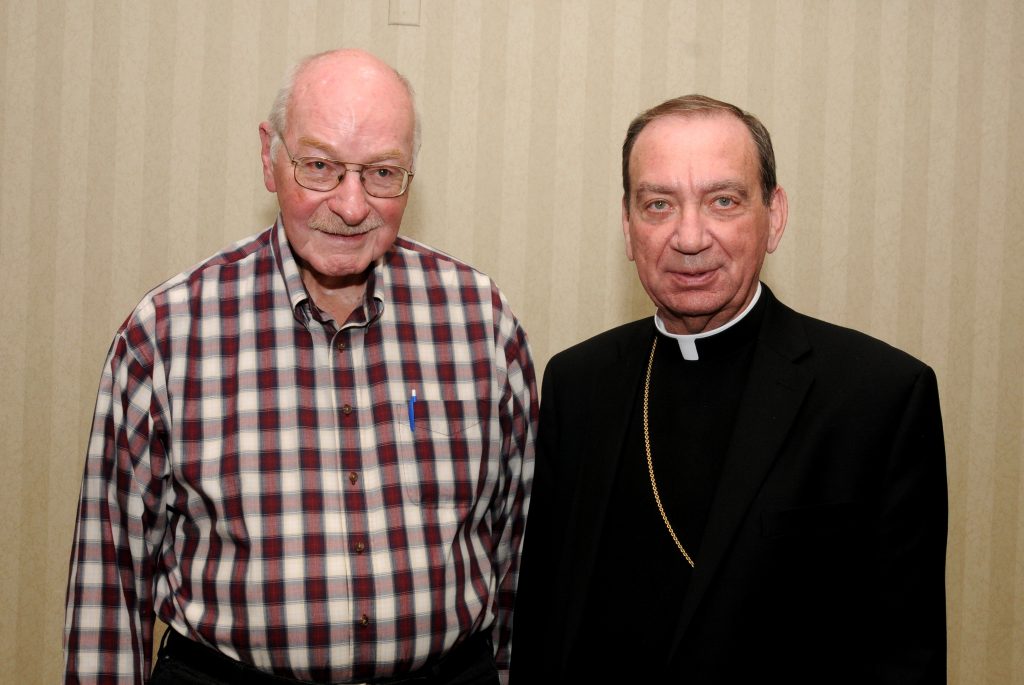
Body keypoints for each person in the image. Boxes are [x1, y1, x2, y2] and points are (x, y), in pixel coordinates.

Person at [63, 49, 536, 685]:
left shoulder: (482, 320)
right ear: (269, 156)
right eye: (319, 166)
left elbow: (519, 554)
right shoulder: (166, 334)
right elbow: (107, 585)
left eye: (382, 173)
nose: (349, 204)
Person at [512, 94, 947, 683]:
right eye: (658, 204)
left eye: (723, 201)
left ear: (775, 215)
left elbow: (904, 654)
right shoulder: (578, 382)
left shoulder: (879, 396)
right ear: (627, 223)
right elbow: (544, 623)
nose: (689, 238)